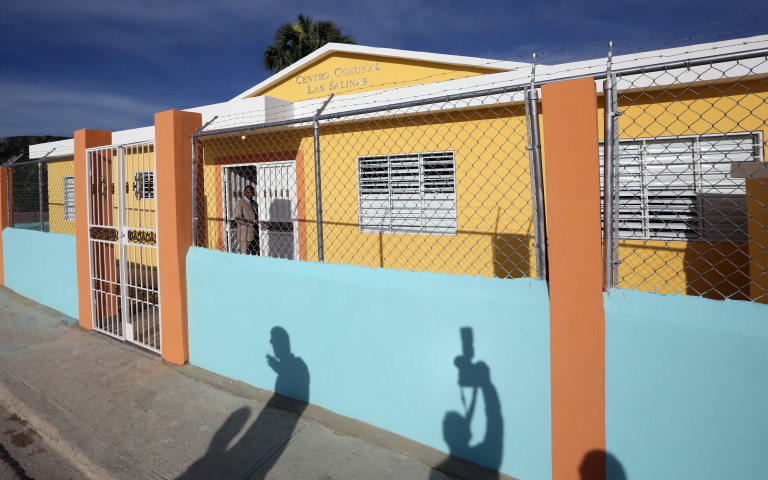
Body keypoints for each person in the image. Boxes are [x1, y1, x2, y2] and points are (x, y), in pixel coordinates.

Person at [233, 185, 259, 255]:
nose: (250, 194)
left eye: (251, 192)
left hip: (255, 232)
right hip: (245, 234)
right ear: (244, 192)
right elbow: (238, 218)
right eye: (248, 192)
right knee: (245, 254)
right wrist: (253, 221)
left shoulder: (254, 203)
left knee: (255, 254)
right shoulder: (240, 202)